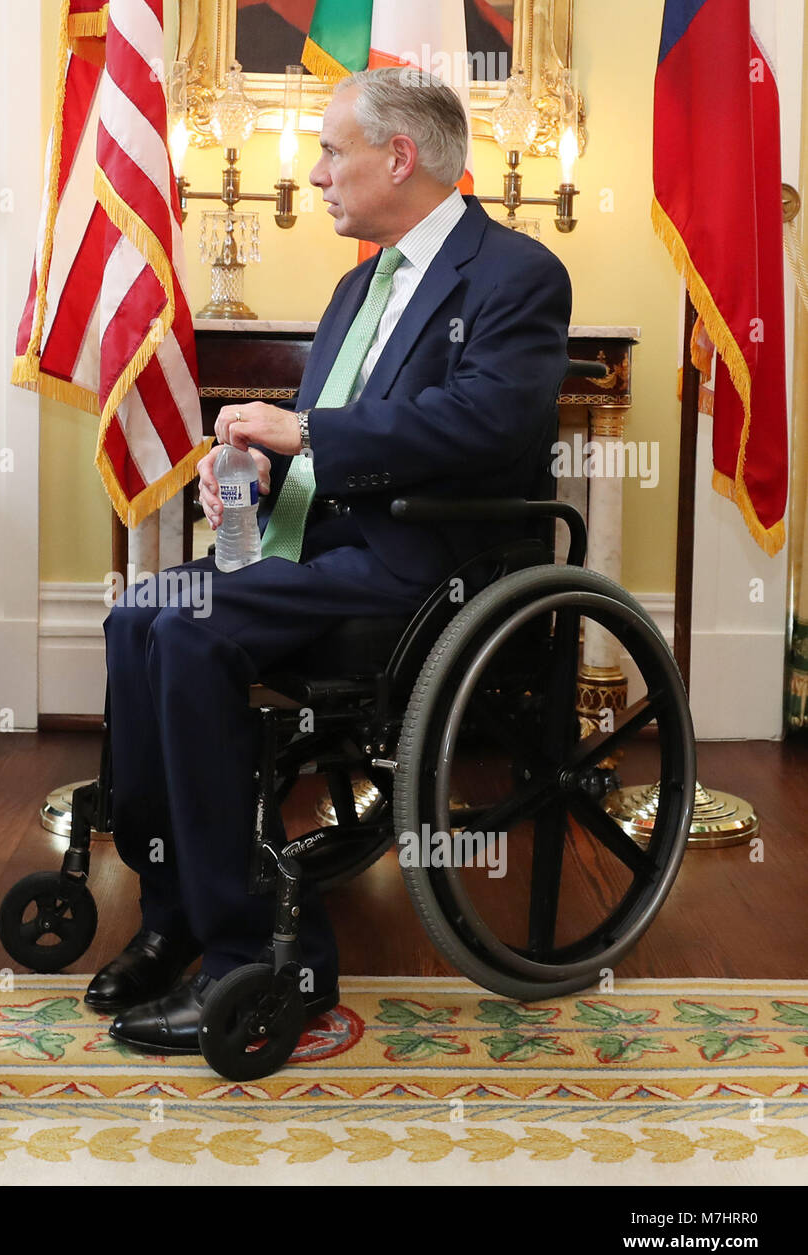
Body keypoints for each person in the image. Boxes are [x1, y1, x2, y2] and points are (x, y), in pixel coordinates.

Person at [88, 67, 573, 1053]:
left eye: (329, 152)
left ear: (399, 157)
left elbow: (487, 422)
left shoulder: (515, 275)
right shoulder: (360, 282)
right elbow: (328, 436)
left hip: (425, 564)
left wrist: (302, 429)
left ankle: (253, 954)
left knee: (186, 632)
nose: (315, 175)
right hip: (315, 549)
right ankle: (175, 903)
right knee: (135, 613)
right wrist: (257, 471)